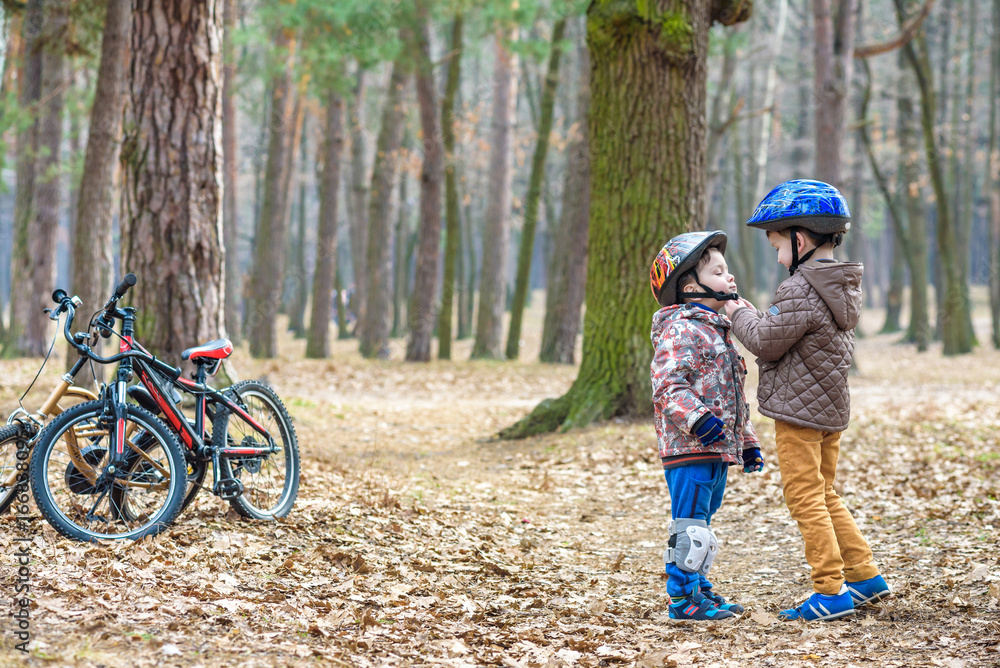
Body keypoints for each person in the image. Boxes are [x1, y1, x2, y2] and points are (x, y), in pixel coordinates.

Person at [723, 179, 890, 622]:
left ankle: (830, 591)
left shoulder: (799, 288)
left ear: (800, 239)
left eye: (778, 246)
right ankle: (864, 575)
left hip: (798, 414)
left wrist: (736, 311)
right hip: (829, 410)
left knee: (805, 498)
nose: (778, 257)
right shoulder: (840, 285)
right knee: (826, 493)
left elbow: (765, 341)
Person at [649, 230, 763, 621]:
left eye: (727, 271)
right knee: (691, 527)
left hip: (716, 446)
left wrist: (745, 441)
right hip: (689, 447)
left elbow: (732, 397)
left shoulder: (716, 331)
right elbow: (667, 386)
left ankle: (698, 588)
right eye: (719, 272)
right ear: (690, 286)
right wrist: (699, 421)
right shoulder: (681, 329)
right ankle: (681, 600)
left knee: (703, 527)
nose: (729, 279)